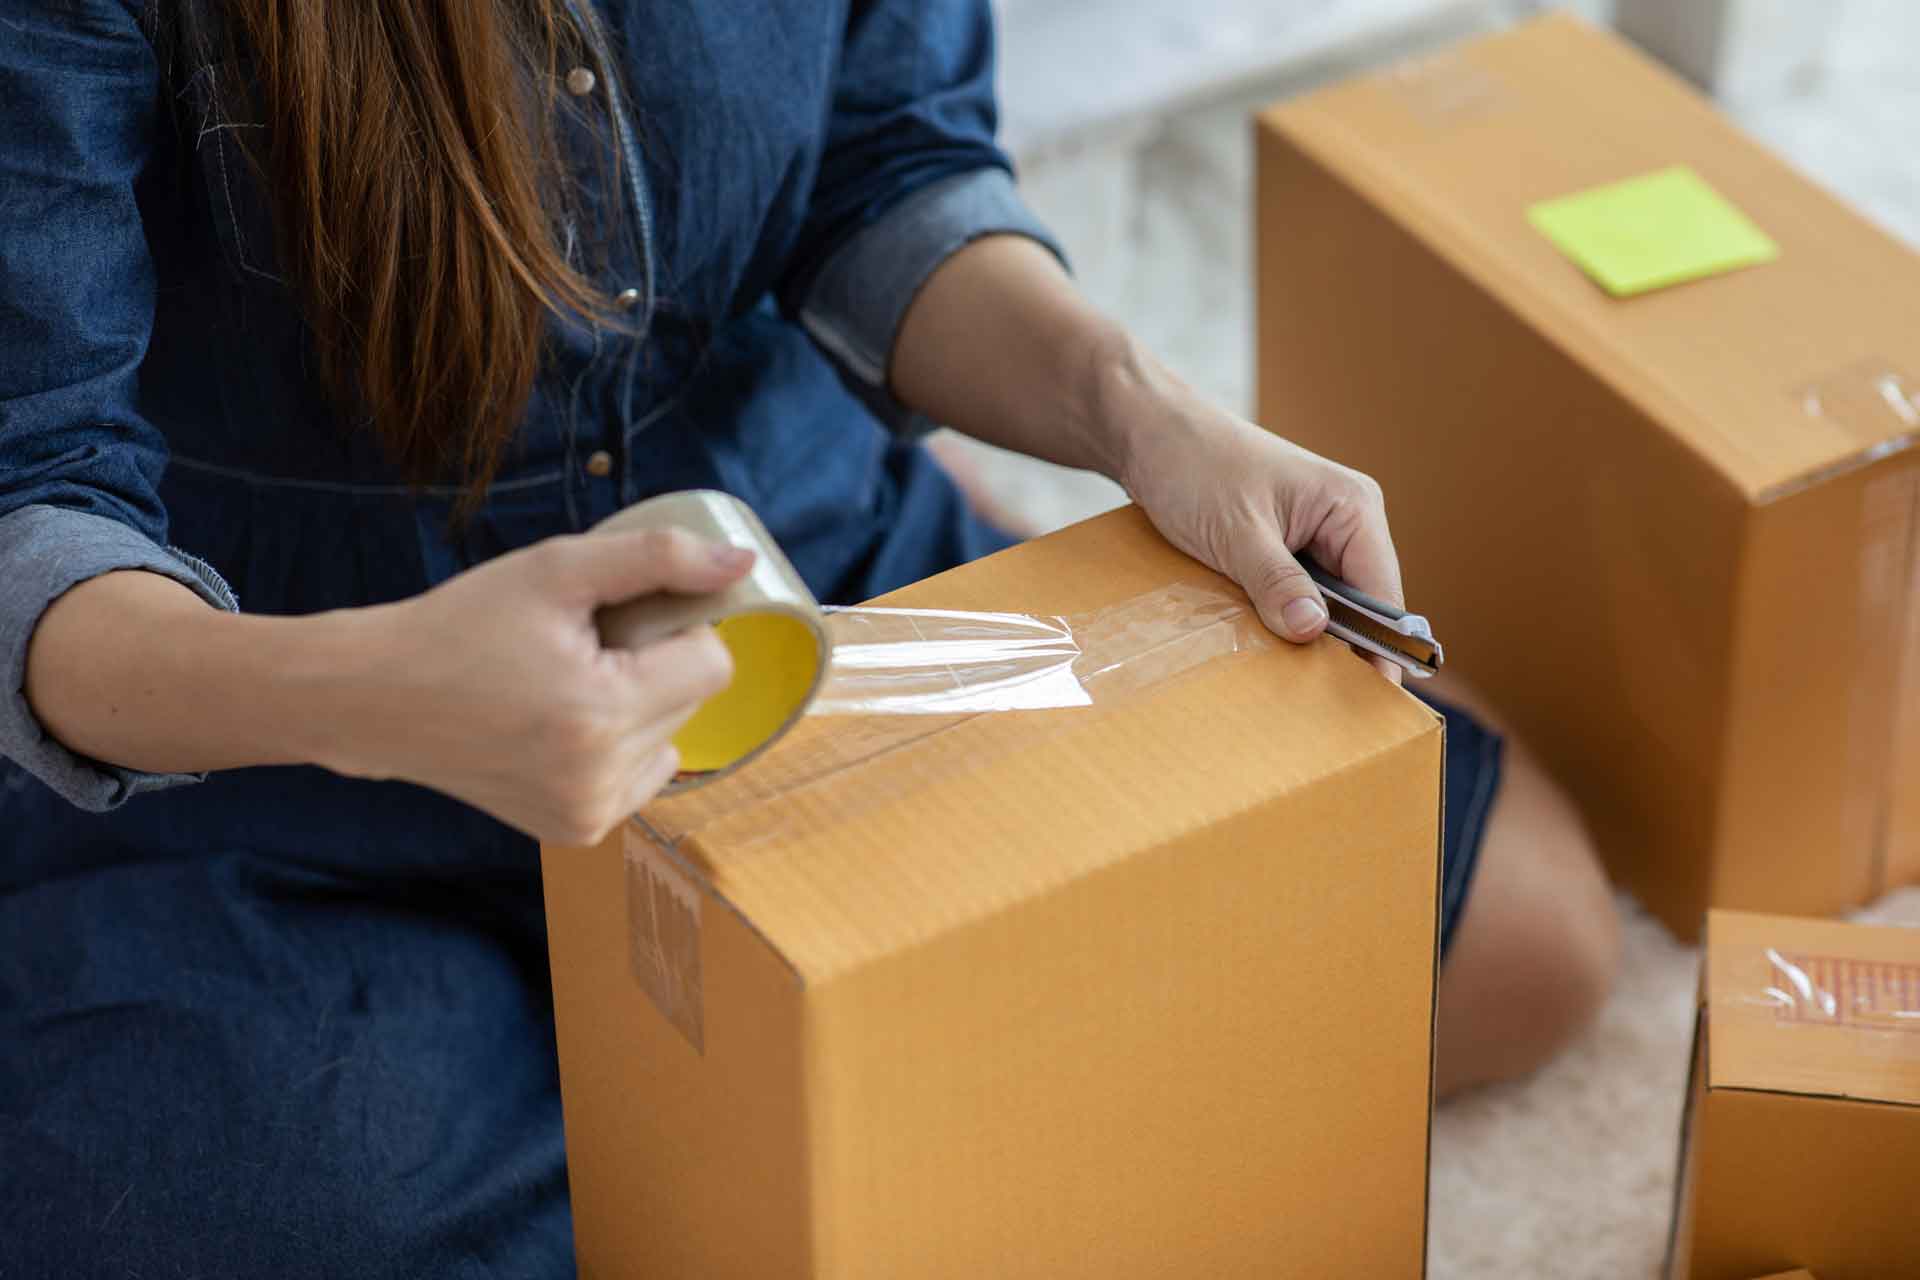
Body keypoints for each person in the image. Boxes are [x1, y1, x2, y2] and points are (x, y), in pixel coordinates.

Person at [0, 0, 1618, 1271]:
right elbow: (32, 495)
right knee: (212, 1207)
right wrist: (373, 695)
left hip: (794, 588)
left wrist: (1139, 412)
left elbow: (887, 164)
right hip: (279, 732)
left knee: (1528, 937)